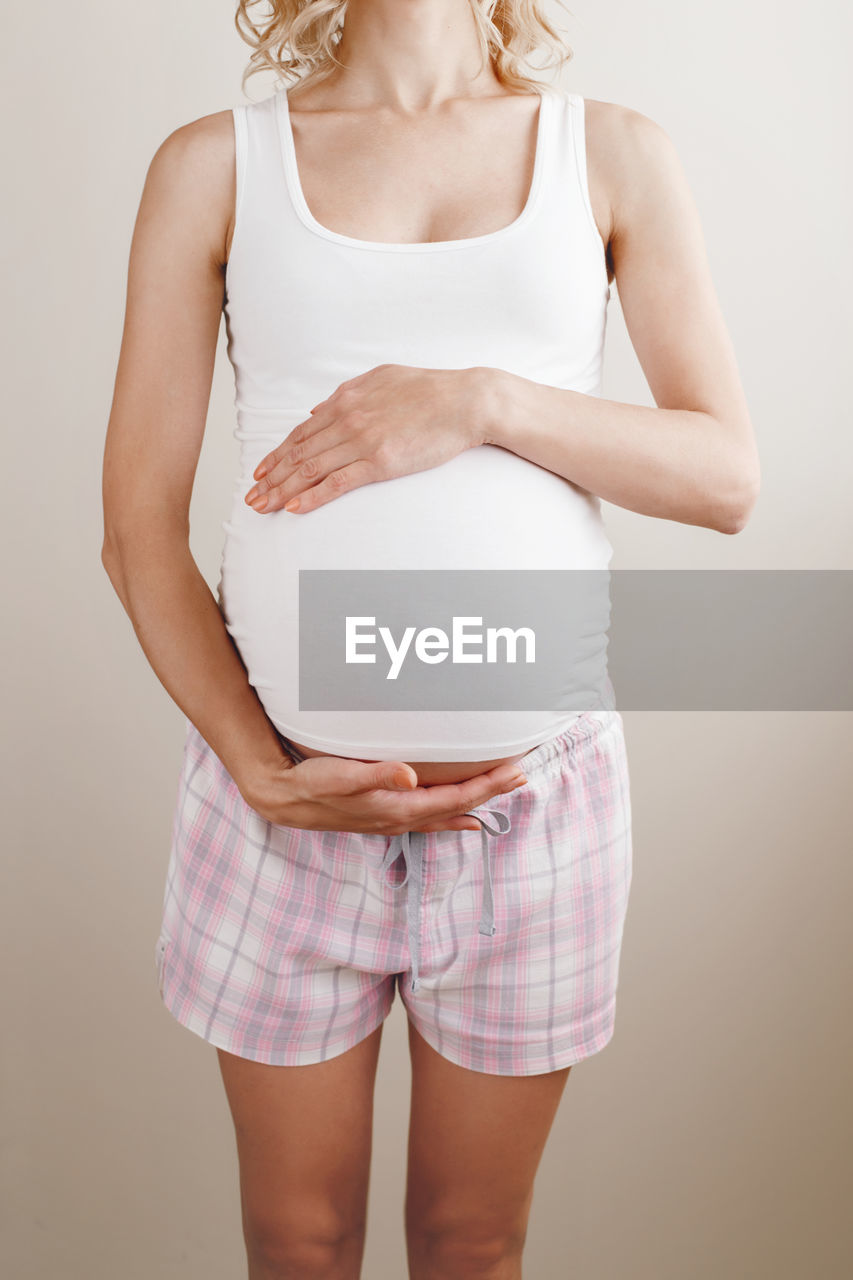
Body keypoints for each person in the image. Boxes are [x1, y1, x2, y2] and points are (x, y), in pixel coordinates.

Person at [101, 1, 759, 1276]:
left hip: (536, 806)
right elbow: (137, 529)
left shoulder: (609, 152)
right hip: (279, 810)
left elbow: (723, 475)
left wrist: (479, 402)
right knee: (299, 1242)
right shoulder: (213, 165)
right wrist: (261, 770)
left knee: (471, 1241)